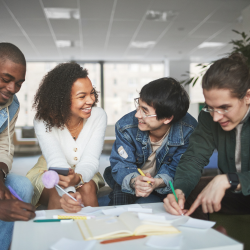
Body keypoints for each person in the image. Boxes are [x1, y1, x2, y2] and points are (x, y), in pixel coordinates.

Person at [164, 53, 250, 220]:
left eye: (224, 107)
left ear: (247, 96)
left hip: (237, 185)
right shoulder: (207, 118)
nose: (216, 117)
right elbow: (194, 158)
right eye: (210, 107)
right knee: (190, 192)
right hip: (235, 193)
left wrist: (229, 180)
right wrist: (179, 191)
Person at [103, 77, 197, 205]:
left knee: (176, 201)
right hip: (133, 175)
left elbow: (178, 169)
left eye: (145, 111)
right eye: (139, 106)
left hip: (165, 180)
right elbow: (122, 164)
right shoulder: (125, 126)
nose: (137, 115)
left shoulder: (188, 130)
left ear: (167, 118)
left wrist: (157, 182)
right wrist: (136, 181)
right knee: (120, 196)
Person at [26, 63, 107, 212]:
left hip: (85, 170)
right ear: (61, 99)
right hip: (49, 172)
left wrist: (78, 178)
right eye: (82, 96)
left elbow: (90, 159)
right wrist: (69, 192)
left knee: (87, 188)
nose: (90, 100)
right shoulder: (43, 120)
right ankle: (59, 235)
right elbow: (55, 159)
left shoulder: (98, 116)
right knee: (58, 196)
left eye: (92, 93)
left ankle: (95, 232)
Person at [0, 43, 35, 250]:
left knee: (21, 187)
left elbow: (5, 145)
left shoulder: (12, 105)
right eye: (5, 79)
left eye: (19, 83)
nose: (12, 89)